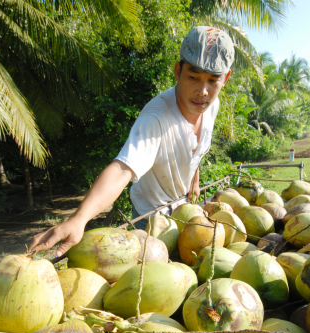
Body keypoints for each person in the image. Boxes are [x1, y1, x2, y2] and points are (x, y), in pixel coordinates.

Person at [28, 26, 234, 256]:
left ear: (225, 79)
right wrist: (79, 219)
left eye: (212, 81)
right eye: (193, 77)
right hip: (152, 219)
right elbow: (123, 168)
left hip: (183, 208)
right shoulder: (156, 118)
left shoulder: (211, 105)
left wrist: (194, 177)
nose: (202, 91)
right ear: (177, 71)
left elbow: (196, 147)